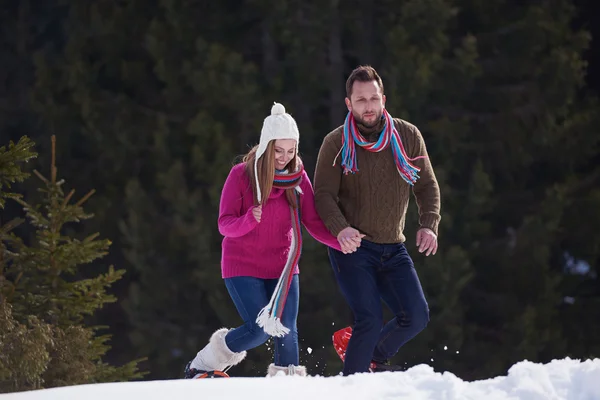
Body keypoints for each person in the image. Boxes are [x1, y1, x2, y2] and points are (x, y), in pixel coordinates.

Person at [184, 102, 354, 379]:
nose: (284, 157)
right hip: (242, 266)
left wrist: (341, 242)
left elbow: (312, 223)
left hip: (283, 268)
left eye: (290, 151)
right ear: (266, 145)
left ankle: (286, 389)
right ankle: (203, 363)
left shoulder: (298, 178)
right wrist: (249, 219)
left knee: (287, 330)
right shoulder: (241, 175)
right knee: (258, 330)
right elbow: (224, 224)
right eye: (278, 150)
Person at [313, 65, 441, 376]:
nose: (368, 106)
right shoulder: (336, 143)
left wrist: (428, 223)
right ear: (349, 104)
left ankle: (369, 354)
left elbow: (426, 185)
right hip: (354, 248)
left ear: (383, 99)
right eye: (360, 100)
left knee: (417, 316)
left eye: (373, 98)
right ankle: (353, 385)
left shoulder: (408, 136)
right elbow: (323, 195)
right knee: (368, 319)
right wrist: (341, 229)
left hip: (393, 248)